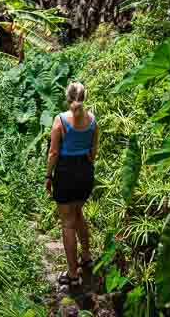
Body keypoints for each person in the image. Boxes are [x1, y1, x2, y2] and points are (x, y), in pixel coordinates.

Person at [45, 82, 100, 289]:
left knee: (67, 222)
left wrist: (48, 176)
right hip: (85, 172)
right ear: (84, 97)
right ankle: (86, 257)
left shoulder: (60, 121)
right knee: (78, 215)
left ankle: (72, 273)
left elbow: (53, 153)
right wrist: (86, 164)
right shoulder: (93, 120)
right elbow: (94, 152)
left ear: (67, 98)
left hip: (66, 174)